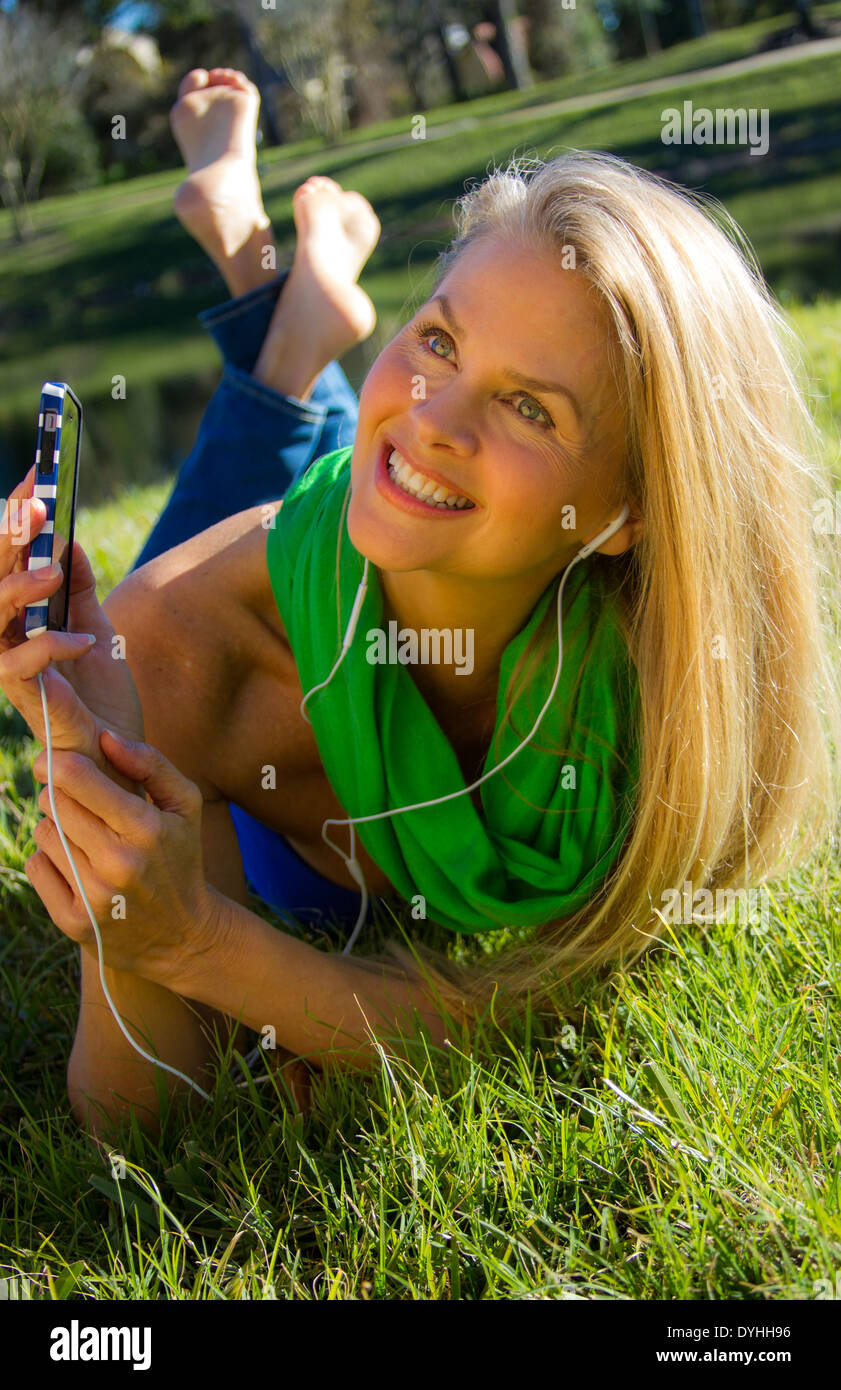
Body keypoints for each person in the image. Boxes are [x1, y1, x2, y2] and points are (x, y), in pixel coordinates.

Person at [1, 69, 839, 1139]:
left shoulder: (666, 681)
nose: (438, 411)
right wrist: (100, 800)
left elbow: (535, 1017)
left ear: (627, 512)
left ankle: (292, 304)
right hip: (248, 582)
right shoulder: (187, 642)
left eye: (530, 405)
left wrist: (212, 944)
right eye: (437, 337)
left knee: (392, 463)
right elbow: (141, 1127)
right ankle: (277, 288)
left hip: (375, 525)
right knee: (333, 484)